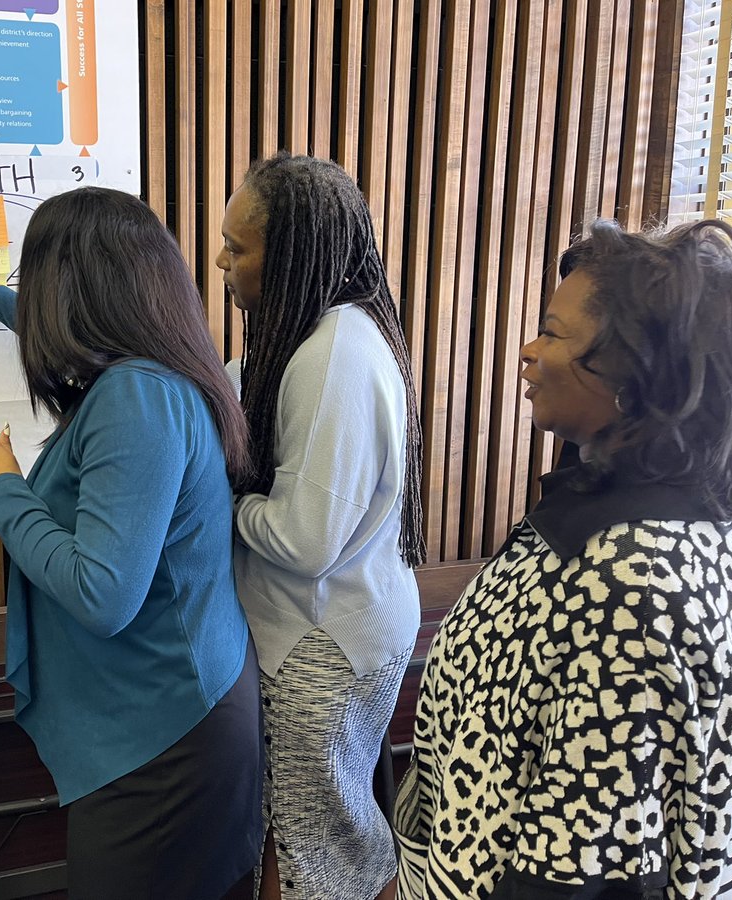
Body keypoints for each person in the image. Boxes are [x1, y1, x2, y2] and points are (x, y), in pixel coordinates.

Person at [394, 219, 732, 899]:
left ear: (631, 377)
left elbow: (581, 869)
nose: (528, 351)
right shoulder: (681, 521)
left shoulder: (632, 582)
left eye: (553, 333)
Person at [0, 187, 264, 899]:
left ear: (67, 288)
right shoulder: (146, 371)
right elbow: (66, 337)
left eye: (37, 278)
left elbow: (102, 592)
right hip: (163, 716)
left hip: (170, 737)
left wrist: (2, 487)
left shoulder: (135, 397)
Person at [215, 152, 425, 900]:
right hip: (335, 624)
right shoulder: (307, 336)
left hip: (323, 640)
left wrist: (223, 502)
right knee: (330, 835)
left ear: (293, 252)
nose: (221, 261)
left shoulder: (334, 353)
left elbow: (306, 541)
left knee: (308, 851)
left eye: (237, 248)